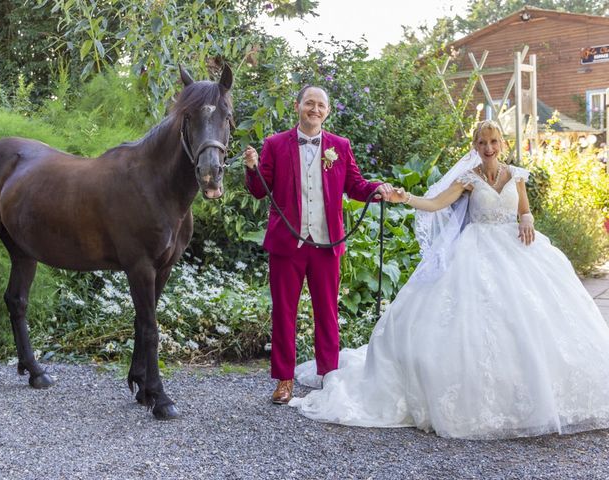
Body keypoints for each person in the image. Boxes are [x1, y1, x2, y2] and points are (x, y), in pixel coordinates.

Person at [289, 120, 609, 439]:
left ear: (502, 144)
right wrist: (406, 198)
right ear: (475, 146)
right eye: (482, 143)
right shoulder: (468, 180)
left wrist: (527, 220)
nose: (488, 148)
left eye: (494, 142)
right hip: (476, 251)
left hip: (517, 250)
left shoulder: (516, 176)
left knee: (533, 319)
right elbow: (436, 203)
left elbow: (524, 210)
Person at [243, 85, 395, 405]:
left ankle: (330, 376)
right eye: (309, 103)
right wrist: (251, 167)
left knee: (326, 312)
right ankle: (284, 380)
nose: (314, 109)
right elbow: (259, 191)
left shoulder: (340, 146)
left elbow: (354, 185)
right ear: (298, 106)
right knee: (284, 313)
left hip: (327, 244)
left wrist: (376, 189)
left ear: (327, 111)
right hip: (288, 243)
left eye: (320, 105)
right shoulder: (274, 144)